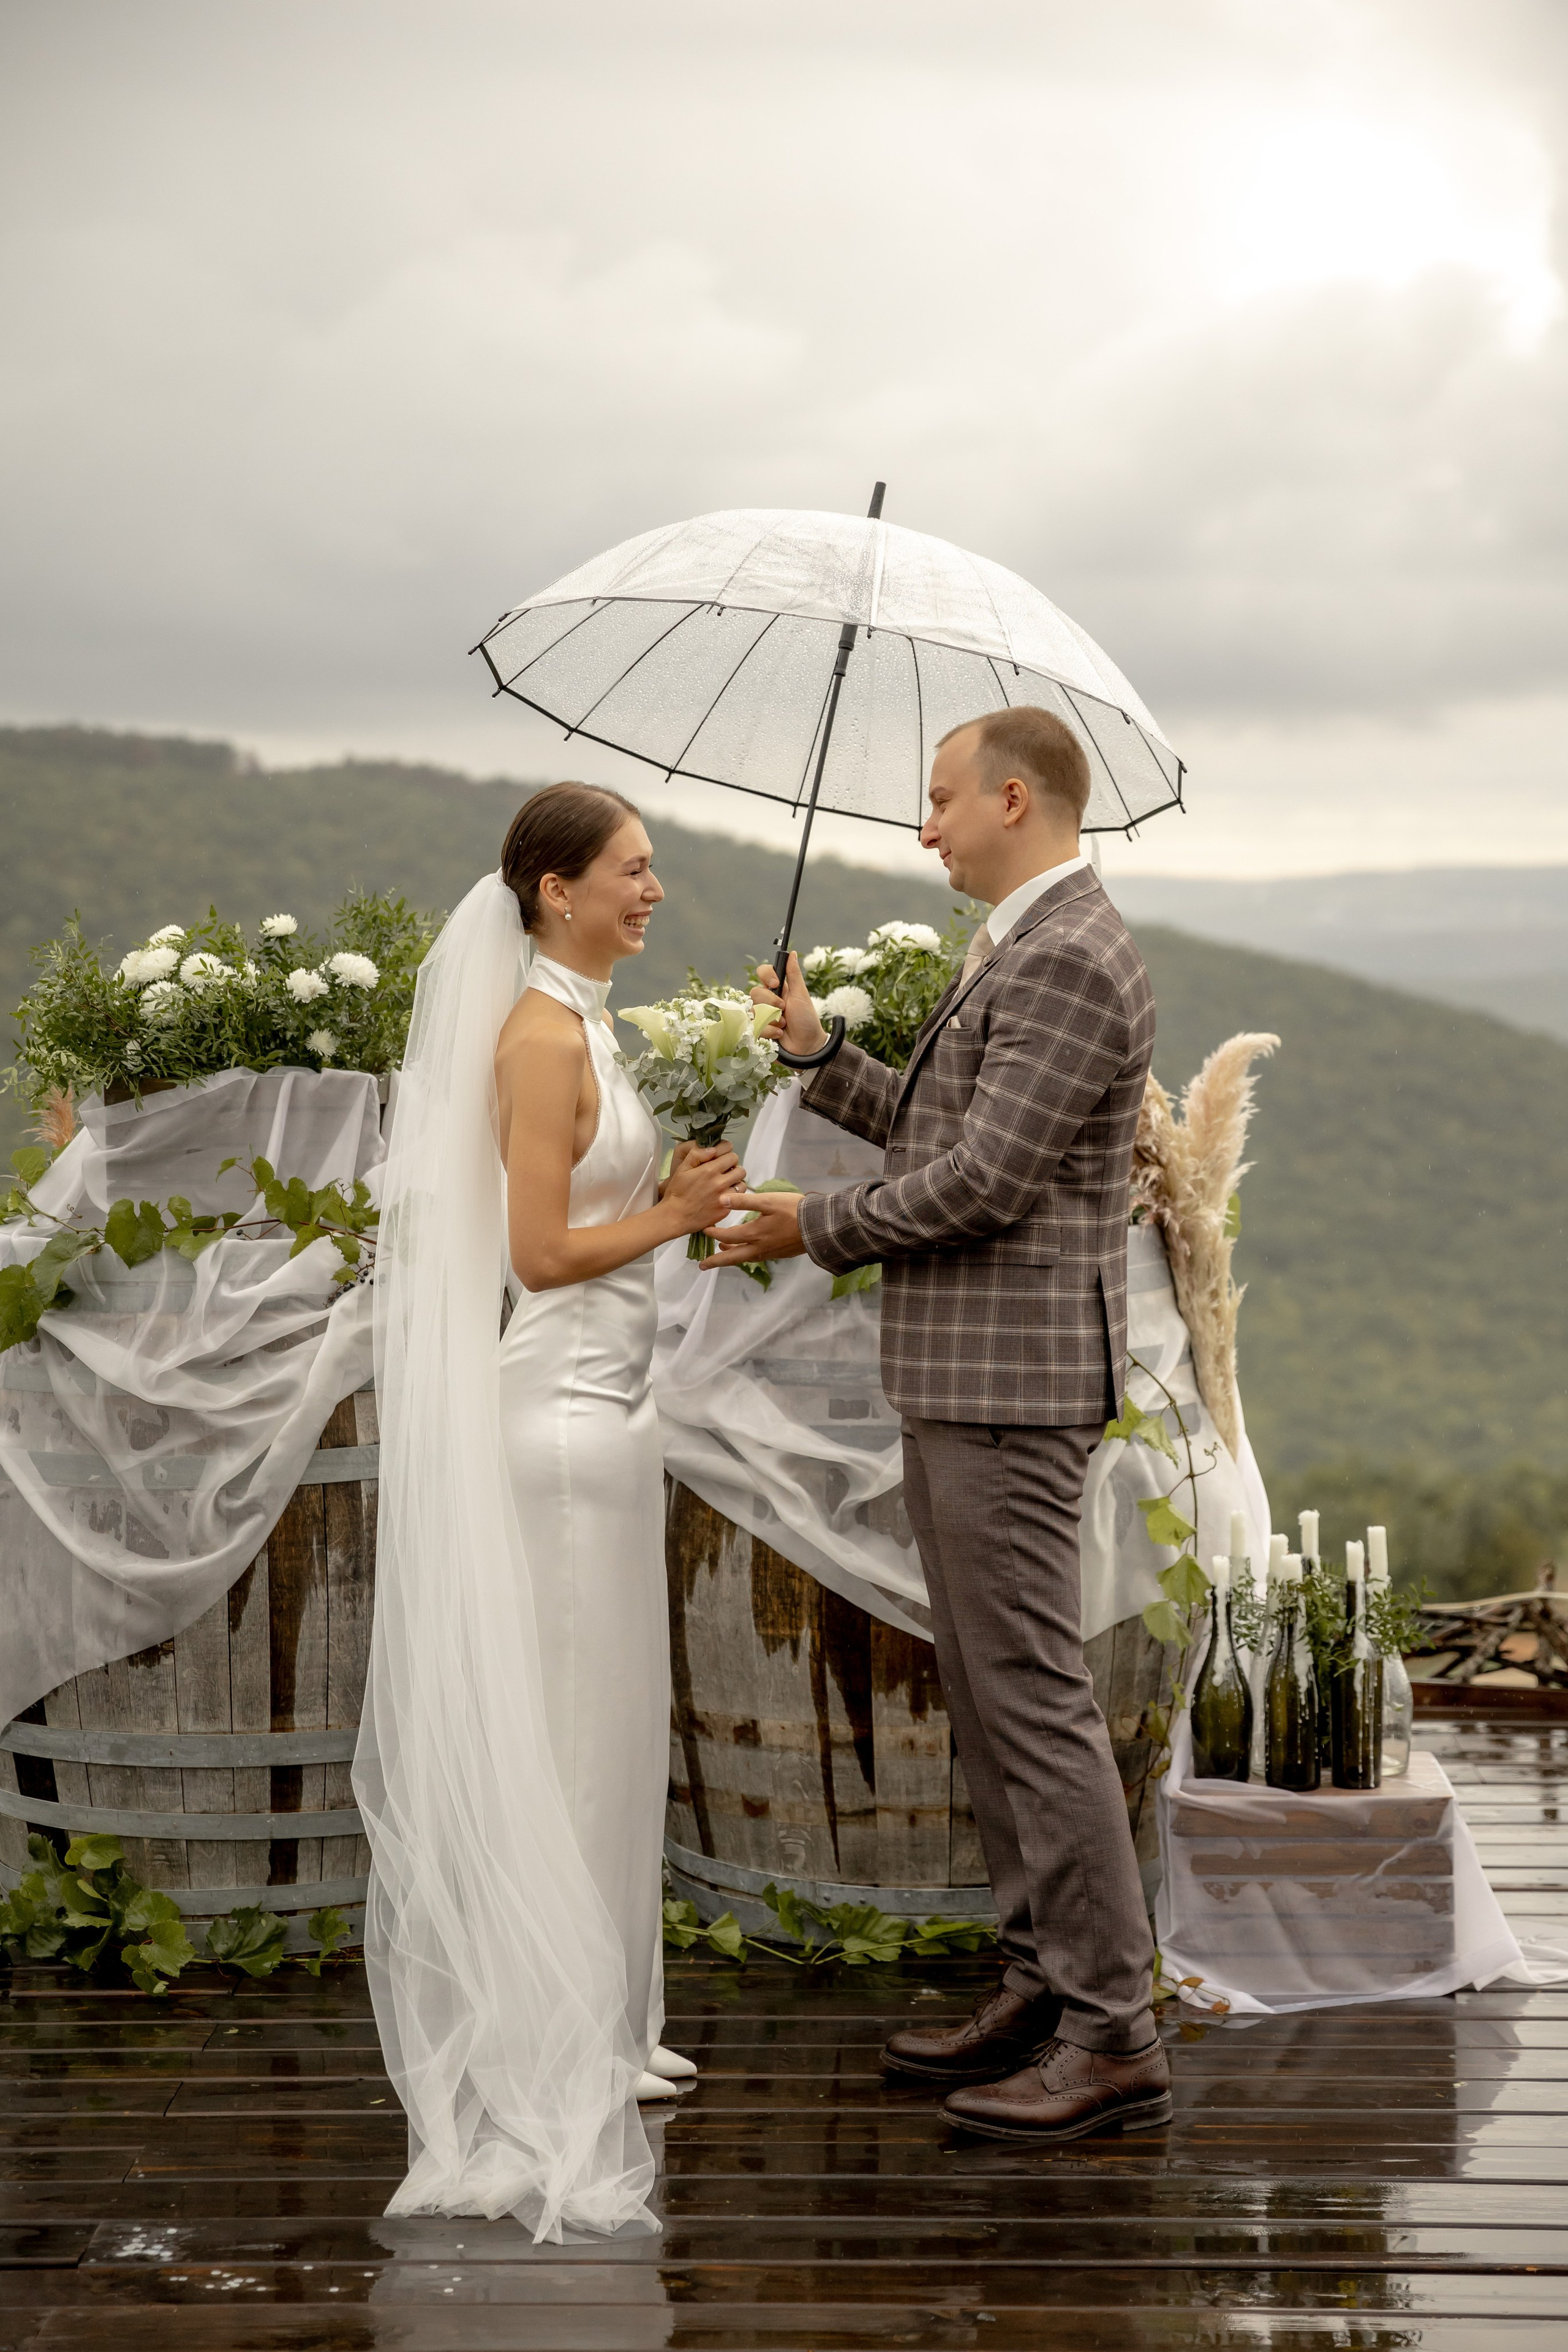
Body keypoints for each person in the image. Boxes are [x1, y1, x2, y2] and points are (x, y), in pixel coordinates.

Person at [704, 707, 1172, 2144]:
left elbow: (981, 1184)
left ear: (1012, 799)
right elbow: (936, 1120)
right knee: (986, 1691)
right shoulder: (1021, 947)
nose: (921, 830)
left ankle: (1112, 2036)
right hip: (965, 1376)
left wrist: (805, 1223)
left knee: (1030, 1701)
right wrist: (818, 1055)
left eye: (936, 800)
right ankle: (1038, 1983)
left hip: (1010, 1385)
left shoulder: (1077, 957)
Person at [354, 783, 742, 2239]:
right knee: (571, 1737)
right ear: (552, 891)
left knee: (609, 1734)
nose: (655, 890)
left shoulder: (581, 1024)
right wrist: (678, 1215)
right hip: (561, 1430)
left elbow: (606, 1222)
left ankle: (603, 2015)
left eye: (652, 870)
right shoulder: (532, 1037)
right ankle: (551, 2039)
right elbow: (535, 1250)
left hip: (612, 1420)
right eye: (632, 872)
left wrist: (688, 1211)